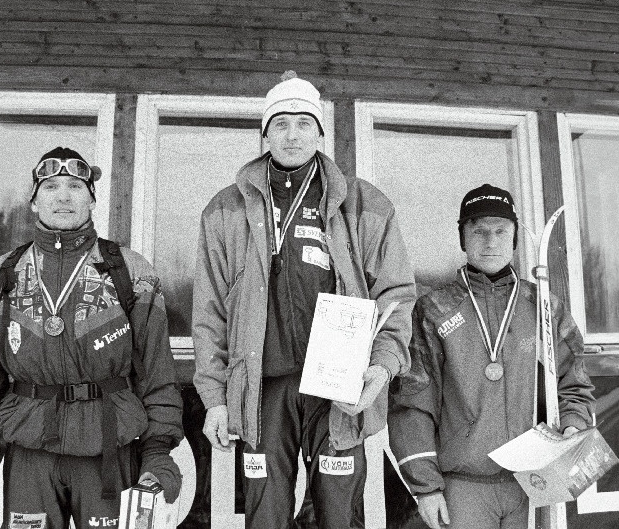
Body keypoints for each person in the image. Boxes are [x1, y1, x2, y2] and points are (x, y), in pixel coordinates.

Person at [192, 71, 415, 527]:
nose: (292, 134)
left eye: (303, 123)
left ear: (319, 132)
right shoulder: (226, 208)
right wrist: (215, 397)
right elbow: (210, 311)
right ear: (265, 134)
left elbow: (395, 294)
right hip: (262, 388)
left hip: (337, 389)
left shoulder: (362, 203)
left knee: (338, 513)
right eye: (281, 124)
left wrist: (382, 365)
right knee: (266, 515)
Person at [0, 147, 184, 527]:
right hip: (29, 451)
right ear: (34, 200)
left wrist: (157, 453)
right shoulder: (1, 275)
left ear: (91, 198)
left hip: (110, 446)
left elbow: (157, 373)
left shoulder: (130, 270)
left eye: (75, 186)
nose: (63, 196)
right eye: (51, 186)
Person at [388, 184, 595, 529]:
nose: (490, 240)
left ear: (514, 239)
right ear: (463, 239)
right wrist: (426, 489)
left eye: (501, 231)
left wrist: (574, 424)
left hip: (533, 481)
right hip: (462, 484)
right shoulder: (434, 310)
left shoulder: (544, 307)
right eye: (478, 230)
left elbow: (573, 384)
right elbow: (412, 404)